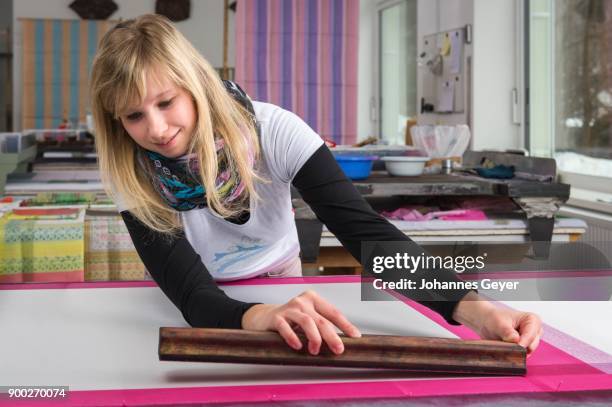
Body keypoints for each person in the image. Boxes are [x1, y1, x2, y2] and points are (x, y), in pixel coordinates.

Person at [90, 14, 542, 357]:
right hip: (193, 297)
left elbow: (367, 235)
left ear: (195, 85)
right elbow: (192, 294)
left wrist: (472, 306)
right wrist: (257, 316)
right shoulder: (129, 171)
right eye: (134, 115)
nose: (157, 128)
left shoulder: (276, 130)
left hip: (280, 281)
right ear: (117, 121)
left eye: (167, 102)